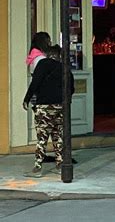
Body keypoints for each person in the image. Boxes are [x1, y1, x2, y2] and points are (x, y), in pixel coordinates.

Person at [23, 44, 74, 178]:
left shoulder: (43, 64)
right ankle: (59, 165)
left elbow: (35, 83)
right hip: (61, 106)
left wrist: (27, 99)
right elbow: (71, 87)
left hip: (45, 106)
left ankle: (38, 167)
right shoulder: (64, 68)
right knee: (58, 136)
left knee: (42, 138)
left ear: (47, 55)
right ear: (59, 56)